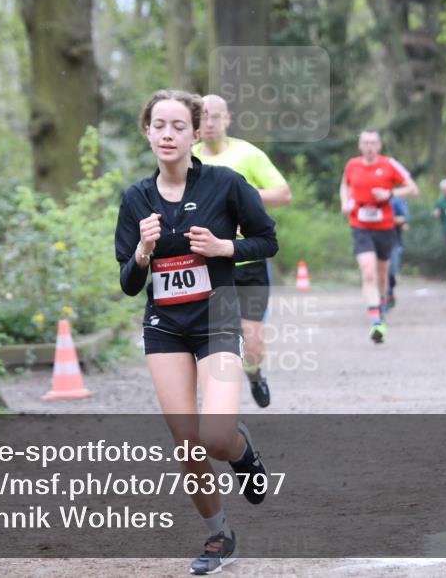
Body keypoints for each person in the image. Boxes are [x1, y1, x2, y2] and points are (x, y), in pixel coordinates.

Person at [115, 90, 277, 575]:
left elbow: (268, 240)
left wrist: (224, 246)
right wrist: (142, 253)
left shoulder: (225, 185)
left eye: (178, 126)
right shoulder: (136, 198)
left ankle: (242, 453)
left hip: (215, 320)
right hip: (165, 327)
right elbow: (128, 283)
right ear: (147, 130)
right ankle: (218, 536)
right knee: (187, 442)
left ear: (196, 133)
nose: (168, 134)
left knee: (216, 435)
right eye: (159, 125)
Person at [193, 94, 292, 408]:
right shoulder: (187, 157)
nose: (209, 123)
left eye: (215, 116)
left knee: (252, 341)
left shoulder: (248, 154)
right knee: (215, 337)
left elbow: (283, 194)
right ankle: (219, 403)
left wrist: (239, 197)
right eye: (203, 116)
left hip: (247, 261)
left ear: (227, 119)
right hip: (205, 265)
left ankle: (253, 372)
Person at [339, 131, 418, 344]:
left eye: (373, 143)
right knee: (368, 272)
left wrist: (390, 195)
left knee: (382, 276)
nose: (369, 146)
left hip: (385, 227)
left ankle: (380, 307)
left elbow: (413, 189)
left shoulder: (390, 164)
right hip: (360, 225)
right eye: (365, 143)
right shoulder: (352, 165)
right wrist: (345, 202)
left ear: (380, 145)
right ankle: (375, 320)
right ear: (360, 145)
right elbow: (345, 185)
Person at [386, 196, 409, 310]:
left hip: (394, 241)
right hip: (373, 241)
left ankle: (390, 292)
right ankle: (381, 298)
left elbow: (404, 218)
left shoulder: (397, 200)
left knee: (392, 271)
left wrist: (386, 218)